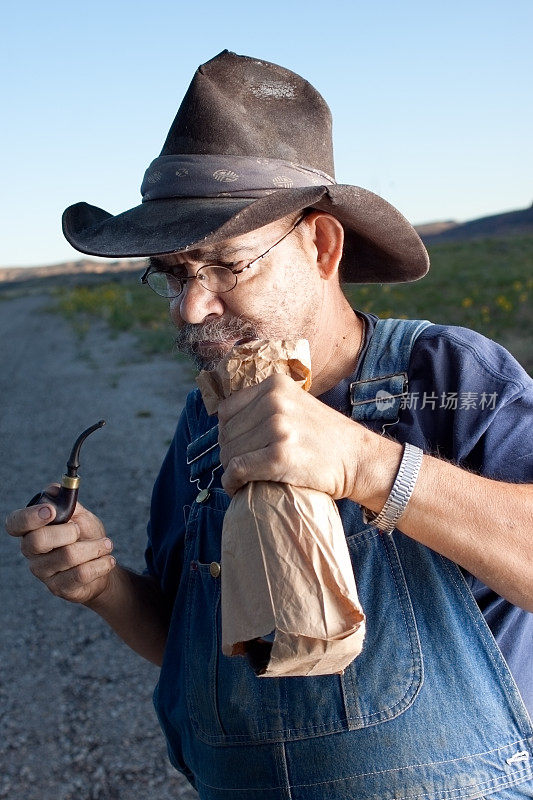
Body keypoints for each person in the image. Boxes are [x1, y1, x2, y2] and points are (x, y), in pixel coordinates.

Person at [6, 50, 533, 799]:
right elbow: (191, 642)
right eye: (176, 273)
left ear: (319, 246)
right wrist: (102, 588)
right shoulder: (203, 418)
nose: (192, 307)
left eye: (226, 265)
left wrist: (369, 466)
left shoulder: (447, 379)